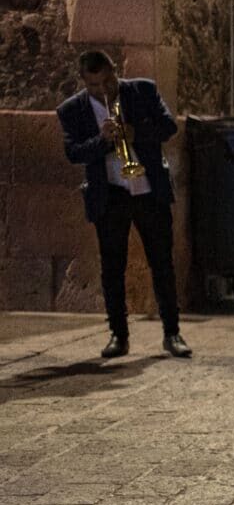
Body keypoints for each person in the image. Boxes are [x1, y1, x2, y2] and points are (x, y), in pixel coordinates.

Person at [56, 50, 189, 360]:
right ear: (84, 82)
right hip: (111, 193)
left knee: (162, 264)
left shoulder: (142, 90)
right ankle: (119, 334)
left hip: (147, 190)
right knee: (112, 267)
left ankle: (172, 333)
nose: (104, 90)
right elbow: (73, 153)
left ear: (115, 72)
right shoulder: (72, 110)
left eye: (108, 81)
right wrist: (103, 141)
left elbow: (169, 127)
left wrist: (135, 133)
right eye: (94, 86)